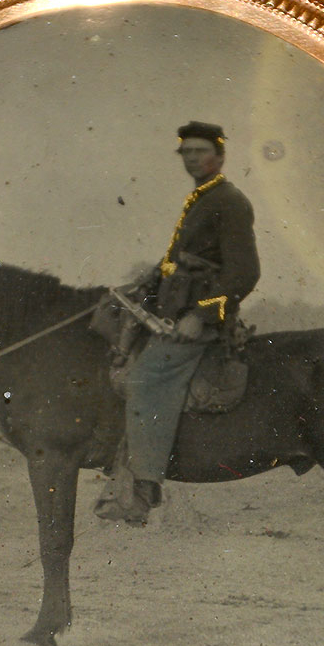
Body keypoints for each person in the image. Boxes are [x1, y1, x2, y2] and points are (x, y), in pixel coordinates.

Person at [96, 121, 261, 525]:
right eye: (186, 152)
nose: (192, 158)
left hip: (202, 322)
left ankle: (143, 488)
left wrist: (201, 316)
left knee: (146, 379)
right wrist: (145, 285)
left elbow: (244, 272)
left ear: (220, 156)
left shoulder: (230, 201)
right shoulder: (200, 199)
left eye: (200, 151)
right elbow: (177, 262)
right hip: (176, 312)